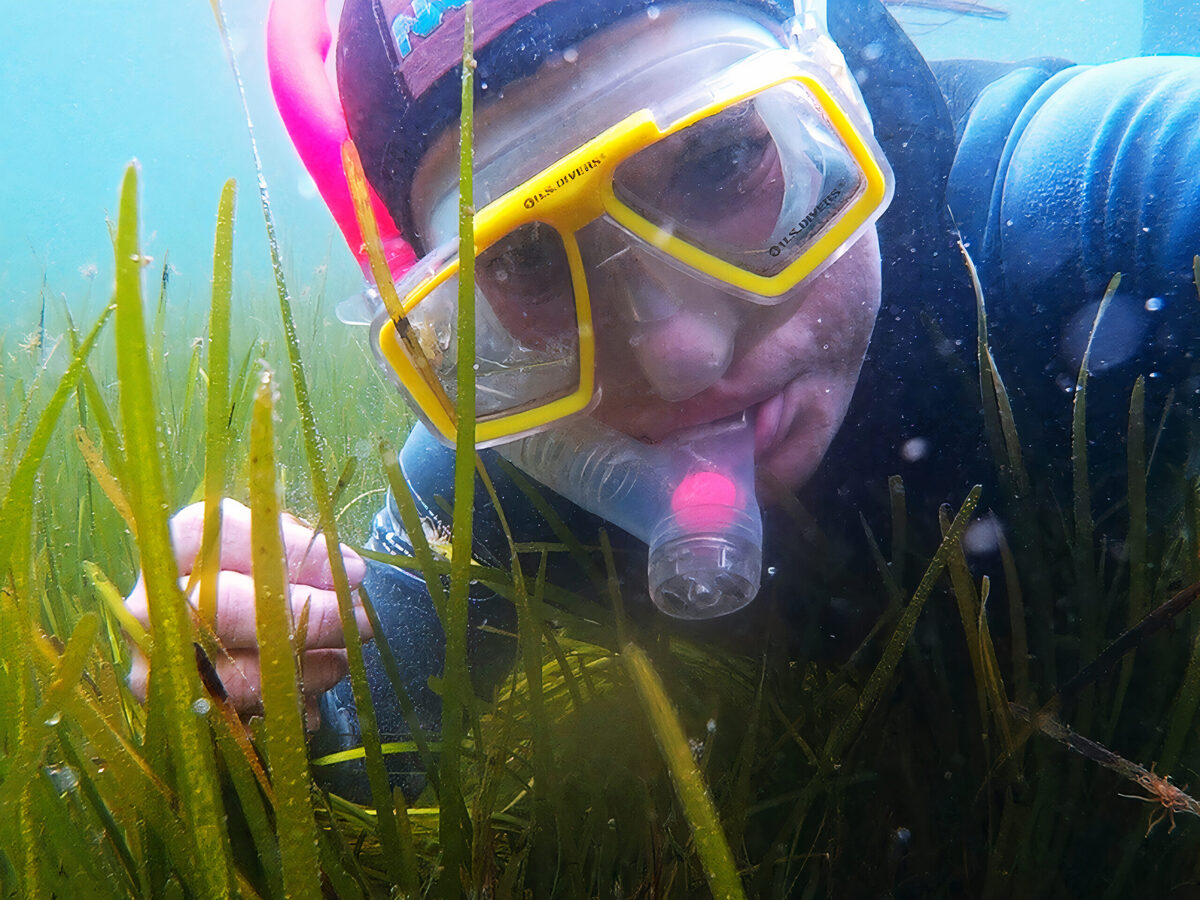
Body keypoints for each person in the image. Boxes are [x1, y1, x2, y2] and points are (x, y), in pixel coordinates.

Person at [125, 0, 1200, 802]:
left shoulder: (1090, 199)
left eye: (726, 157)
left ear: (833, 87)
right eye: (527, 264)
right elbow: (363, 755)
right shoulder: (515, 462)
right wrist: (246, 706)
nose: (681, 357)